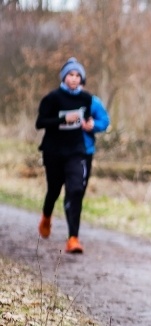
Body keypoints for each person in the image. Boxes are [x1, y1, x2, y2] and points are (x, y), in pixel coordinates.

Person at [35, 57, 96, 254]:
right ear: (64, 77)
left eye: (78, 75)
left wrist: (90, 124)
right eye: (71, 74)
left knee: (76, 190)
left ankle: (73, 239)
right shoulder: (52, 98)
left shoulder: (86, 99)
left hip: (76, 151)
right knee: (53, 190)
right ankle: (46, 217)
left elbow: (89, 119)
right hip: (53, 151)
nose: (74, 79)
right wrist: (63, 118)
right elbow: (40, 122)